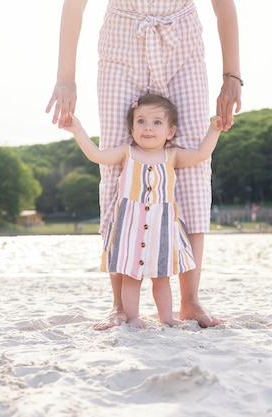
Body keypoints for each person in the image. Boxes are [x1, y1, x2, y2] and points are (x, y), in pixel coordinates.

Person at [46, 0, 241, 329]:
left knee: (192, 170)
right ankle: (120, 305)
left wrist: (232, 75)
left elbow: (223, 5)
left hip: (183, 44)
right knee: (115, 168)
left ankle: (190, 301)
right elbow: (74, 5)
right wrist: (66, 78)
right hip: (121, 43)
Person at [63, 93, 223, 329]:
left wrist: (214, 129)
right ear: (132, 127)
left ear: (170, 131)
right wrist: (77, 130)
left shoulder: (172, 155)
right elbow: (96, 155)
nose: (148, 128)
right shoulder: (126, 153)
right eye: (141, 121)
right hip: (130, 226)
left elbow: (200, 154)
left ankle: (167, 317)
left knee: (162, 277)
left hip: (162, 226)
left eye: (157, 122)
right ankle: (133, 316)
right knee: (131, 276)